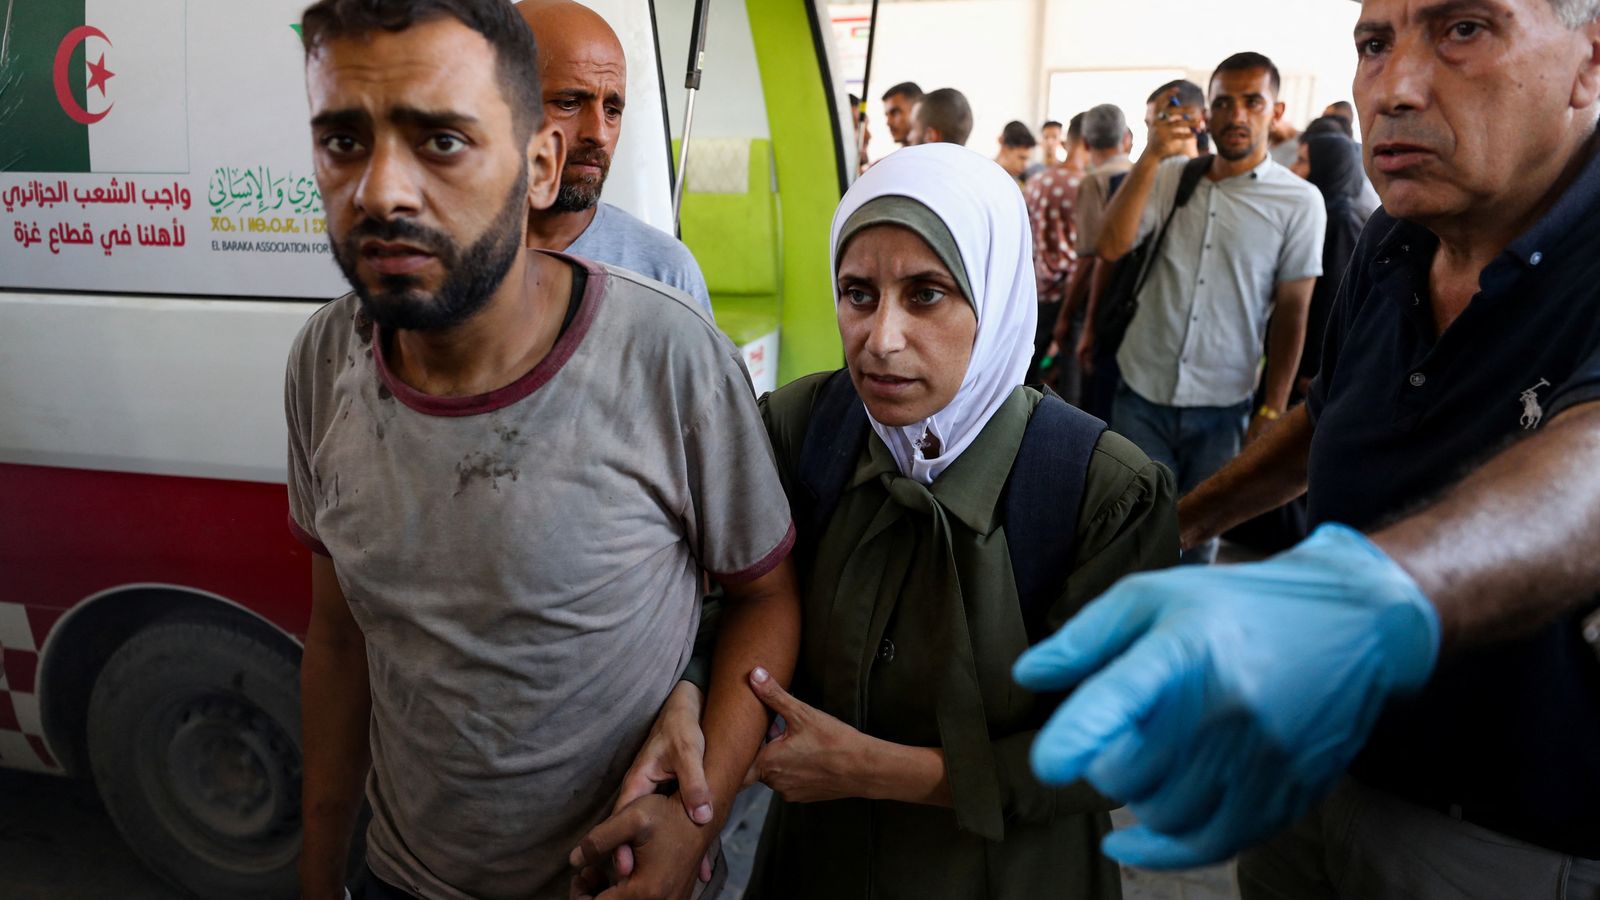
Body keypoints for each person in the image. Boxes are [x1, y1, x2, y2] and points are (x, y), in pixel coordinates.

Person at [1016, 0, 1600, 895]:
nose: (1394, 87)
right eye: (1373, 44)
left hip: (1493, 831)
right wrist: (1181, 522)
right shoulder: (1395, 240)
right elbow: (1334, 416)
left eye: (1465, 29)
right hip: (1314, 768)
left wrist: (1363, 599)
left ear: (1591, 59)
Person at [289, 3, 800, 898]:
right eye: (342, 141)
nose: (380, 192)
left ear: (537, 167)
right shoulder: (325, 361)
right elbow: (338, 635)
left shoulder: (667, 351)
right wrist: (318, 871)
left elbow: (765, 596)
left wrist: (692, 825)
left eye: (441, 141)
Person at [580, 143, 1178, 900]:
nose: (881, 338)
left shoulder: (1098, 490)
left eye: (926, 295)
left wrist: (876, 769)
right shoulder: (803, 431)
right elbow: (729, 603)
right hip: (817, 866)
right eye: (857, 294)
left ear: (992, 301)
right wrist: (692, 698)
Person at [1091, 53, 1325, 565]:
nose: (1237, 115)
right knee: (1127, 535)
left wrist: (1271, 407)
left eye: (1252, 102)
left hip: (1223, 406)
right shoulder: (1173, 175)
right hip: (1142, 391)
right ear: (1206, 113)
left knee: (1196, 544)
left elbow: (1292, 312)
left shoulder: (1300, 202)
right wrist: (1150, 157)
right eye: (1223, 102)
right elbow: (1109, 245)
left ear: (1275, 110)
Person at [515, 0, 713, 316]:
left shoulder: (663, 272)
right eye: (568, 103)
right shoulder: (437, 256)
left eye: (612, 111)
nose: (600, 134)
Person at [1227, 132, 1370, 554]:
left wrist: (1316, 369)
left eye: (1305, 161)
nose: (1295, 169)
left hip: (1310, 365)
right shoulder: (1328, 210)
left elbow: (1326, 304)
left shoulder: (1340, 218)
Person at [1023, 114, 1087, 389]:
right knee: (1072, 373)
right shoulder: (1086, 186)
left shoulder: (1037, 181)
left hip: (1037, 290)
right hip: (1073, 292)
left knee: (1026, 367)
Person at [908, 87, 974, 147]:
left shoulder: (903, 159)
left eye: (913, 128)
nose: (908, 137)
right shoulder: (979, 159)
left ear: (930, 136)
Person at [881, 81, 923, 148]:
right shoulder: (890, 158)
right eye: (887, 115)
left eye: (895, 113)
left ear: (917, 110)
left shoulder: (939, 155)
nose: (888, 122)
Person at [996, 120, 1037, 185]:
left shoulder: (1027, 181)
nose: (1024, 166)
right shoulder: (985, 174)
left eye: (1027, 159)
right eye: (1021, 158)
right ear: (1004, 145)